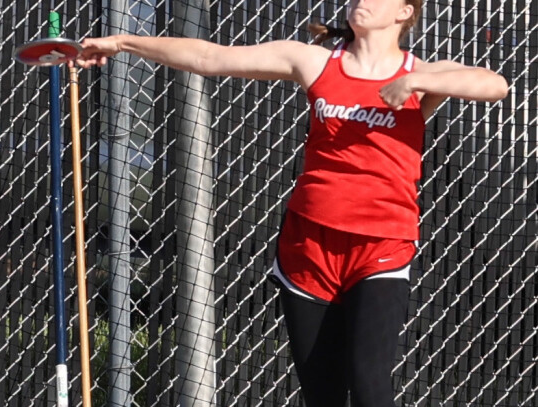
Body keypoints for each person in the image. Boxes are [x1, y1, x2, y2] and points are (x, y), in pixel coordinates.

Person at [73, 0, 508, 406]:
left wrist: (416, 82)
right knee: (323, 393)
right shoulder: (316, 61)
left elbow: (495, 85)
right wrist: (122, 42)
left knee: (370, 382)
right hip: (309, 244)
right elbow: (210, 57)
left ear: (405, 12)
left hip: (381, 247)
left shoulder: (423, 72)